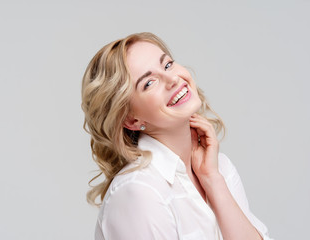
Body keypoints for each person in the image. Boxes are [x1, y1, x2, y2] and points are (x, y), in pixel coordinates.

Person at [81, 32, 273, 240]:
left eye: (167, 65)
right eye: (149, 83)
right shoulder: (139, 192)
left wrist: (213, 180)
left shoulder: (221, 169)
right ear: (132, 120)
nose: (172, 79)